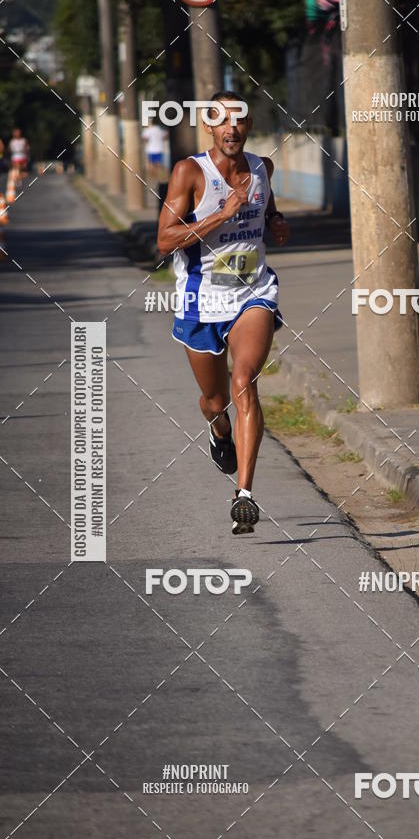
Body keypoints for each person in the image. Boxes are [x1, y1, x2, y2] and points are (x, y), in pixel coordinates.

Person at [157, 91, 290, 535]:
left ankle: (245, 494)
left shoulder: (262, 169)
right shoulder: (190, 172)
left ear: (248, 127)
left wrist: (276, 221)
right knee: (215, 401)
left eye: (239, 120)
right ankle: (219, 432)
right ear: (209, 127)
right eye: (221, 120)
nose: (231, 128)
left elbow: (267, 207)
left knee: (243, 382)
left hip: (252, 291)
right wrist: (220, 215)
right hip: (201, 299)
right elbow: (165, 240)